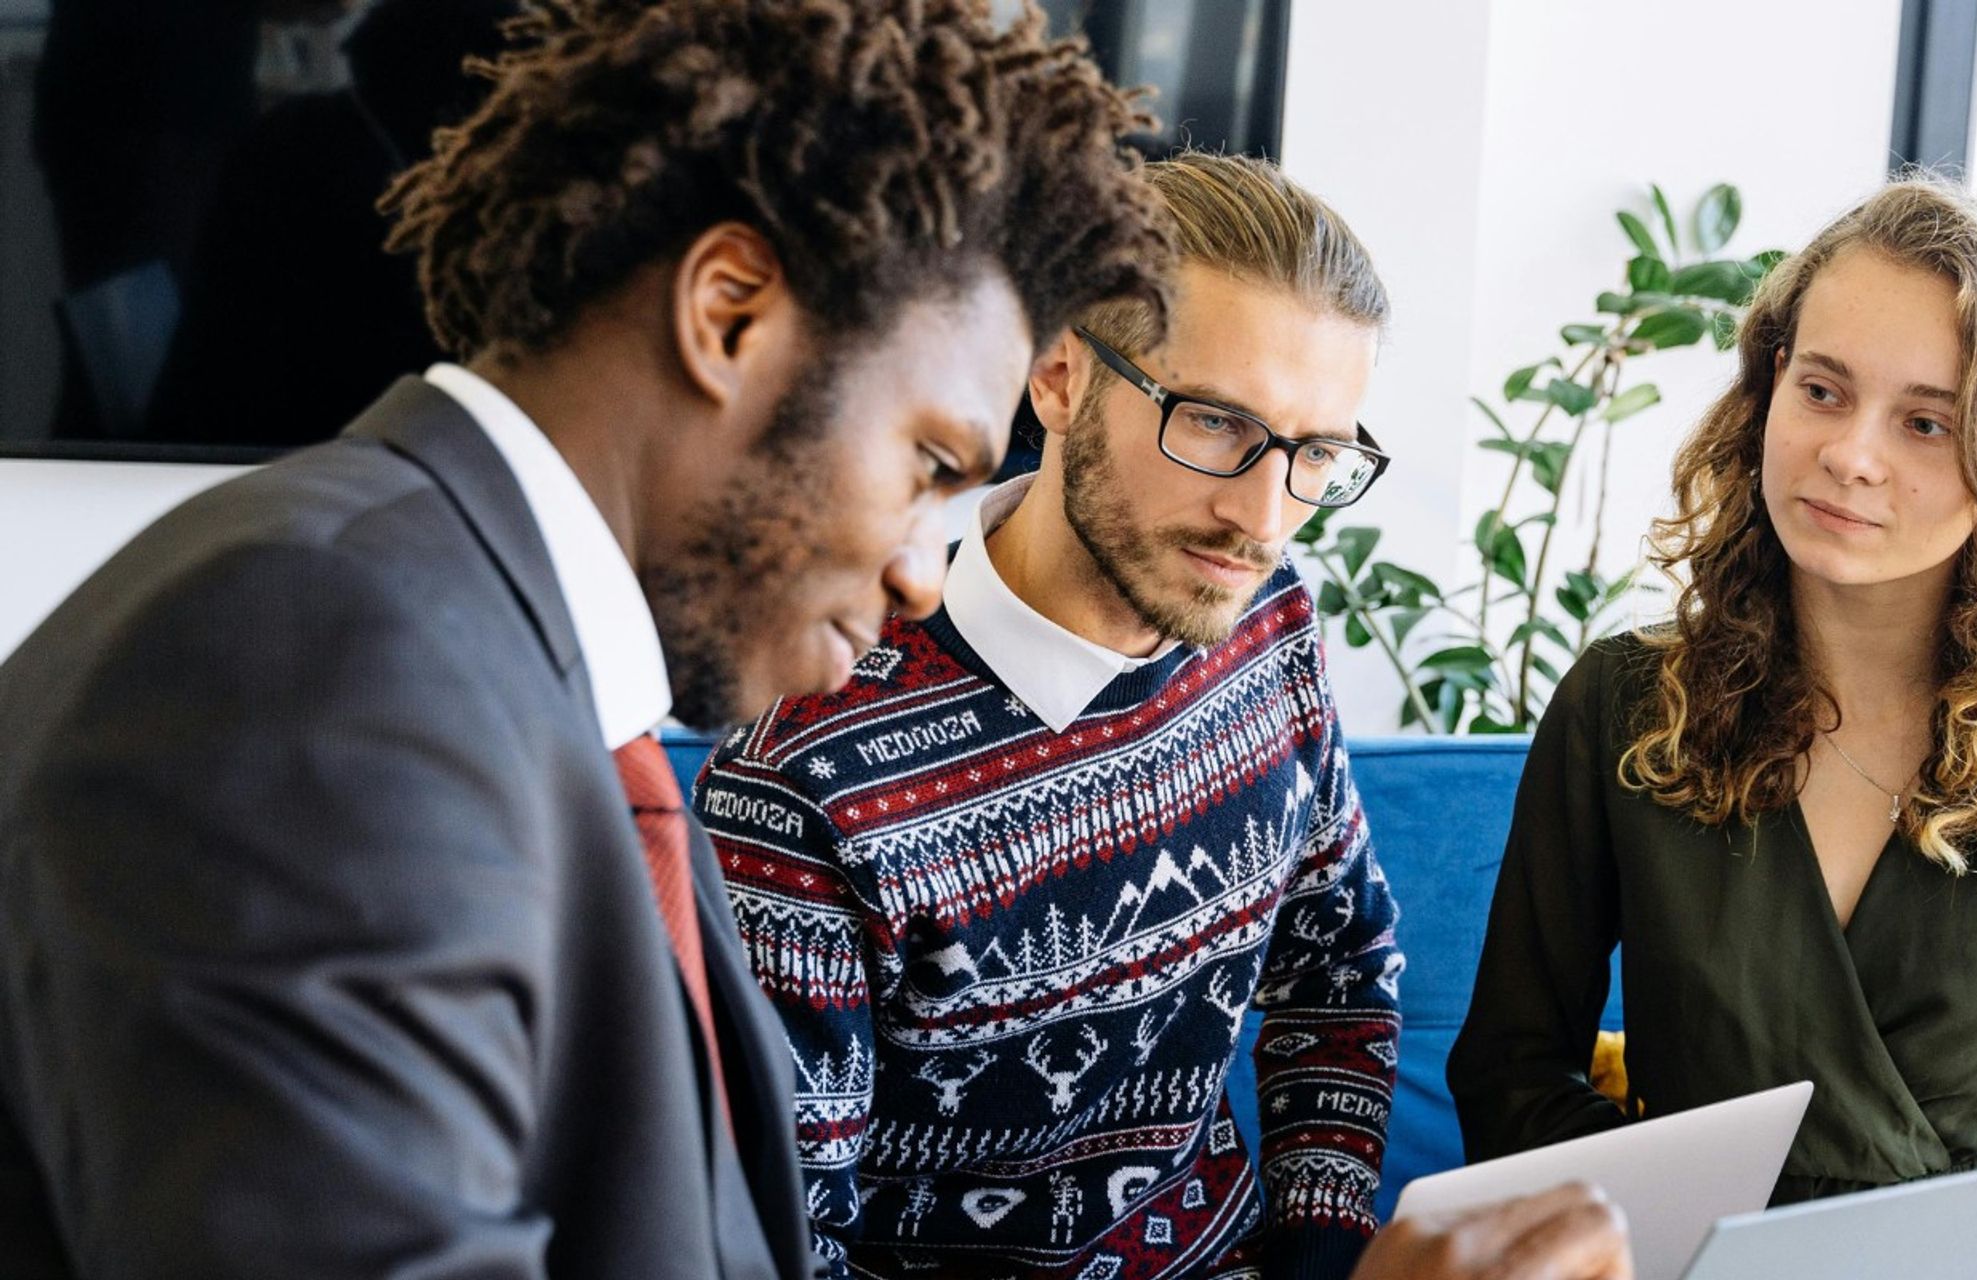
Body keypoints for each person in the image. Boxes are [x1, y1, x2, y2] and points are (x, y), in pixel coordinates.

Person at [0, 1, 1173, 1274]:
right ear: (729, 315)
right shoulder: (317, 664)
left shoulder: (480, 650)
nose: (921, 576)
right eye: (928, 464)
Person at [694, 152, 1402, 1278]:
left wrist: (1320, 1253)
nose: (1263, 515)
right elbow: (777, 1239)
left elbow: (1339, 972)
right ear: (1062, 378)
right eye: (1213, 423)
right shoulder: (807, 770)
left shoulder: (1268, 623)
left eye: (1313, 452)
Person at [1447, 176, 1977, 1204]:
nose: (1848, 455)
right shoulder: (1620, 705)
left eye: (1925, 423)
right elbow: (1510, 1078)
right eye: (1821, 390)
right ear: (1768, 387)